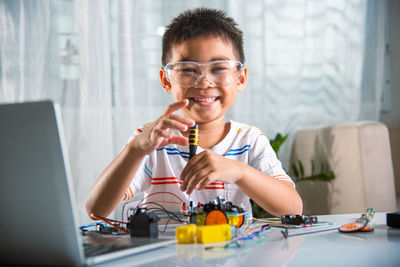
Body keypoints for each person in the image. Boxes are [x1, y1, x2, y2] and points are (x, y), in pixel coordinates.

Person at [85, 8, 302, 220]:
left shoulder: (249, 140)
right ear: (166, 79)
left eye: (219, 68)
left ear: (241, 78)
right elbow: (96, 210)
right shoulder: (150, 141)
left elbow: (293, 208)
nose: (205, 83)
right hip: (165, 255)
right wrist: (135, 150)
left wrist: (239, 172)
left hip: (232, 256)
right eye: (188, 70)